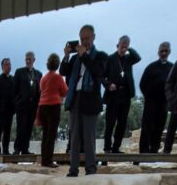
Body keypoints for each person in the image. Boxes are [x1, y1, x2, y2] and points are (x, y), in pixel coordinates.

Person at [60, 24, 108, 176]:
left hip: (90, 100)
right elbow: (63, 71)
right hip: (75, 98)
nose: (84, 41)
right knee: (74, 136)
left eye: (87, 38)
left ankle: (90, 169)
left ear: (94, 37)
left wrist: (85, 56)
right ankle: (73, 169)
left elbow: (98, 72)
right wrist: (66, 55)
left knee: (88, 136)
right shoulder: (75, 58)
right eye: (82, 39)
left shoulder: (100, 56)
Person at [103, 35, 142, 155]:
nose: (123, 49)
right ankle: (107, 148)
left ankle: (116, 147)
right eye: (122, 46)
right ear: (117, 46)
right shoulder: (110, 59)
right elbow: (102, 77)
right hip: (113, 94)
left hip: (125, 94)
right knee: (110, 122)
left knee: (122, 123)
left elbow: (138, 57)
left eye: (126, 47)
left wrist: (129, 49)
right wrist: (109, 84)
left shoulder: (129, 58)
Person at [138, 42, 173, 153]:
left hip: (164, 102)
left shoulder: (172, 68)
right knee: (147, 125)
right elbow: (142, 84)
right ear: (158, 52)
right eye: (162, 51)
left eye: (166, 51)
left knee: (159, 126)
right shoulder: (151, 67)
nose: (163, 53)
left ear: (169, 52)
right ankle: (143, 149)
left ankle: (154, 148)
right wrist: (148, 96)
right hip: (151, 101)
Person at [37, 52, 67, 168]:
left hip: (42, 106)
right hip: (53, 106)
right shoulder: (58, 77)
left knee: (45, 134)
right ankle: (48, 160)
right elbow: (65, 92)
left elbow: (41, 90)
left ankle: (44, 159)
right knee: (51, 134)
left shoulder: (43, 78)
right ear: (58, 64)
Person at [13, 51, 42, 154]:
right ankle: (17, 149)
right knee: (21, 127)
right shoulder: (19, 72)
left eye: (30, 59)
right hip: (22, 105)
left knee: (29, 127)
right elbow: (14, 89)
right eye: (26, 59)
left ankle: (25, 149)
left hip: (33, 105)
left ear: (34, 60)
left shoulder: (38, 74)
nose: (28, 61)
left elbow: (40, 90)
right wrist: (17, 102)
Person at [0, 57, 15, 155]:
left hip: (10, 110)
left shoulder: (13, 79)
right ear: (2, 66)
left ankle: (5, 150)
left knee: (8, 130)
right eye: (6, 64)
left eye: (9, 64)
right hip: (0, 110)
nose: (8, 66)